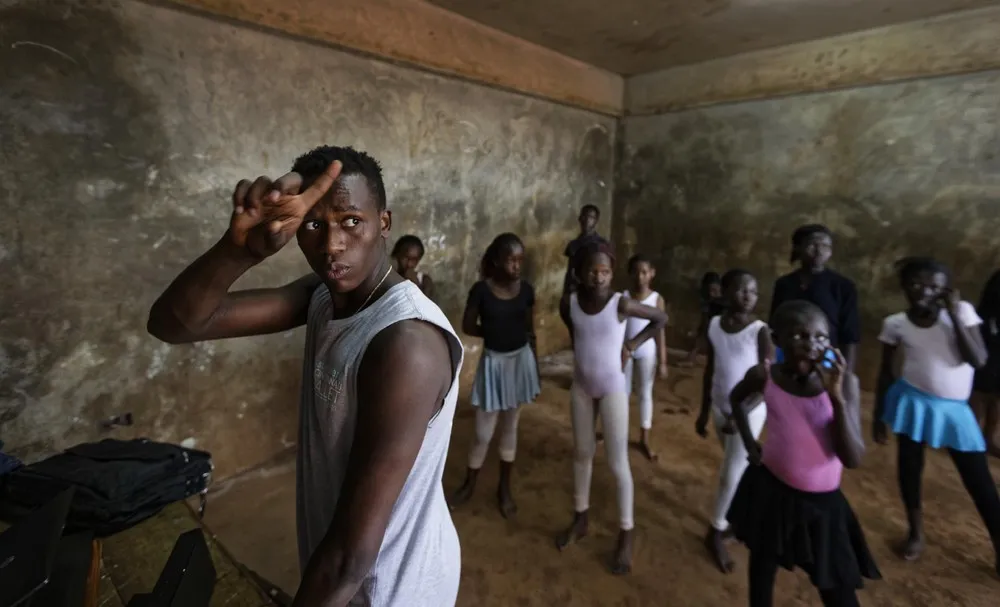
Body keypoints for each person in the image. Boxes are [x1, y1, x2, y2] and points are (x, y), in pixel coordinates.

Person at [146, 146, 463, 607]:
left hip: (389, 588)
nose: (332, 244)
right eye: (314, 225)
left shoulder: (406, 344)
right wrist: (238, 251)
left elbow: (349, 561)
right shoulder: (324, 295)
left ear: (384, 223)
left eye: (351, 220)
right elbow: (174, 323)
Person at [727, 300, 880, 607]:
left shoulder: (844, 384)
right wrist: (748, 440)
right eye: (799, 336)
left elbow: (852, 458)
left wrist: (836, 399)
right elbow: (737, 399)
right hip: (771, 491)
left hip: (822, 507)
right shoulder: (766, 376)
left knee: (838, 590)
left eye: (820, 337)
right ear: (777, 338)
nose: (811, 345)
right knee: (762, 571)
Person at [873, 257, 1000, 573]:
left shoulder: (962, 313)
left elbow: (978, 359)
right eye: (916, 283)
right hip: (912, 402)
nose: (924, 291)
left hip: (954, 411)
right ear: (904, 286)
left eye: (934, 286)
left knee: (978, 479)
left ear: (946, 290)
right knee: (909, 468)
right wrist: (878, 413)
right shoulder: (896, 323)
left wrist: (955, 315)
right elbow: (886, 372)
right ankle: (915, 532)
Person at [555, 242, 668, 575]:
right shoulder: (570, 303)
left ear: (612, 272)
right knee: (582, 453)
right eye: (592, 270)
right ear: (579, 273)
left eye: (605, 270)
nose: (599, 276)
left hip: (612, 389)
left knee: (618, 463)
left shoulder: (620, 304)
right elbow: (579, 336)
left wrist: (631, 345)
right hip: (582, 388)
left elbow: (660, 318)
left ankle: (626, 530)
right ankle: (580, 517)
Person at [449, 233, 540, 518]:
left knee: (510, 426)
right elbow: (467, 324)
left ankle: (504, 488)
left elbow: (529, 331)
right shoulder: (482, 290)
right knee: (482, 432)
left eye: (520, 260)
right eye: (511, 260)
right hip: (493, 363)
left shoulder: (526, 290)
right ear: (498, 261)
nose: (516, 266)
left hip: (519, 361)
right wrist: (492, 333)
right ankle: (470, 482)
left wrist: (534, 366)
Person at [694, 269, 773, 574]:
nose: (747, 296)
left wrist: (739, 416)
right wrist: (704, 411)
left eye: (752, 291)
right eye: (740, 290)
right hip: (719, 407)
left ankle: (715, 531)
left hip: (749, 412)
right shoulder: (715, 325)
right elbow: (711, 369)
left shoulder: (759, 331)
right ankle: (736, 519)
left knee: (730, 473)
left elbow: (766, 383)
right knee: (735, 467)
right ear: (724, 293)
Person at [770, 225, 860, 372]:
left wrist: (847, 373)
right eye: (812, 244)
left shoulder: (842, 286)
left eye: (825, 246)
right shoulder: (784, 284)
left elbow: (850, 335)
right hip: (787, 355)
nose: (819, 250)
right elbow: (774, 324)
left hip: (824, 358)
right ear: (798, 247)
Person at [622, 254, 668, 461]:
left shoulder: (656, 299)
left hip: (646, 352)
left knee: (645, 394)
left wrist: (663, 361)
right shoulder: (623, 297)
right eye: (636, 272)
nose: (640, 277)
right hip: (625, 351)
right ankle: (618, 434)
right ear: (629, 274)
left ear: (652, 274)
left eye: (644, 272)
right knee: (621, 394)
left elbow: (659, 331)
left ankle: (644, 438)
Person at [558, 204, 609, 338]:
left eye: (591, 217)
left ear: (596, 220)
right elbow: (570, 270)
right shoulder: (573, 245)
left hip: (594, 288)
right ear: (579, 218)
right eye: (584, 216)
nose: (587, 220)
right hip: (577, 288)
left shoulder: (601, 244)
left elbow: (605, 271)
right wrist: (566, 290)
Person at [971, 269, 1000, 458]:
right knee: (979, 391)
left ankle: (988, 438)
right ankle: (971, 438)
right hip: (987, 343)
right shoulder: (982, 319)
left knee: (997, 395)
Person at [683, 271, 724, 364]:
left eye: (714, 290)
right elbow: (705, 316)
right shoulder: (706, 297)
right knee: (702, 332)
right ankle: (691, 358)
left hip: (724, 323)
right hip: (711, 319)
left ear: (720, 288)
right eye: (709, 290)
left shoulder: (726, 300)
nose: (711, 293)